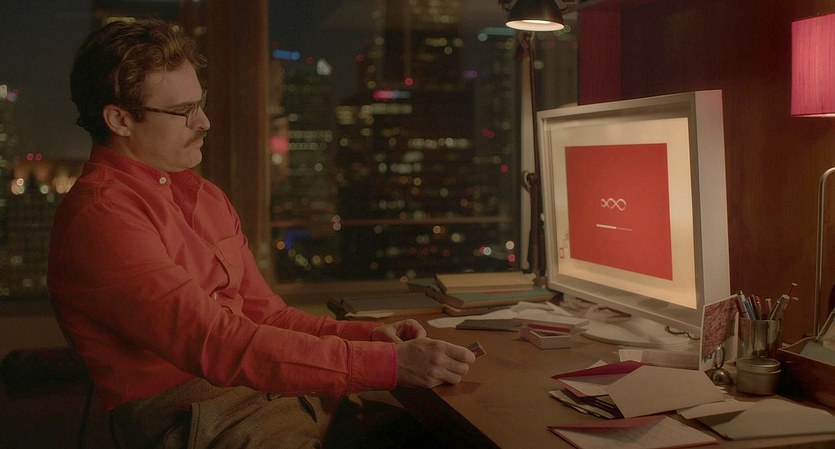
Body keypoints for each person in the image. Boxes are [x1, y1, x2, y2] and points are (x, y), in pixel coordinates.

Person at [48, 18, 476, 449]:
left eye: (201, 103)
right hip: (198, 418)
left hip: (264, 396)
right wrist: (388, 365)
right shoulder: (100, 216)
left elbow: (268, 317)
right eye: (183, 111)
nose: (204, 122)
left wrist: (371, 337)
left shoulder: (204, 196)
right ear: (120, 119)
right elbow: (216, 344)